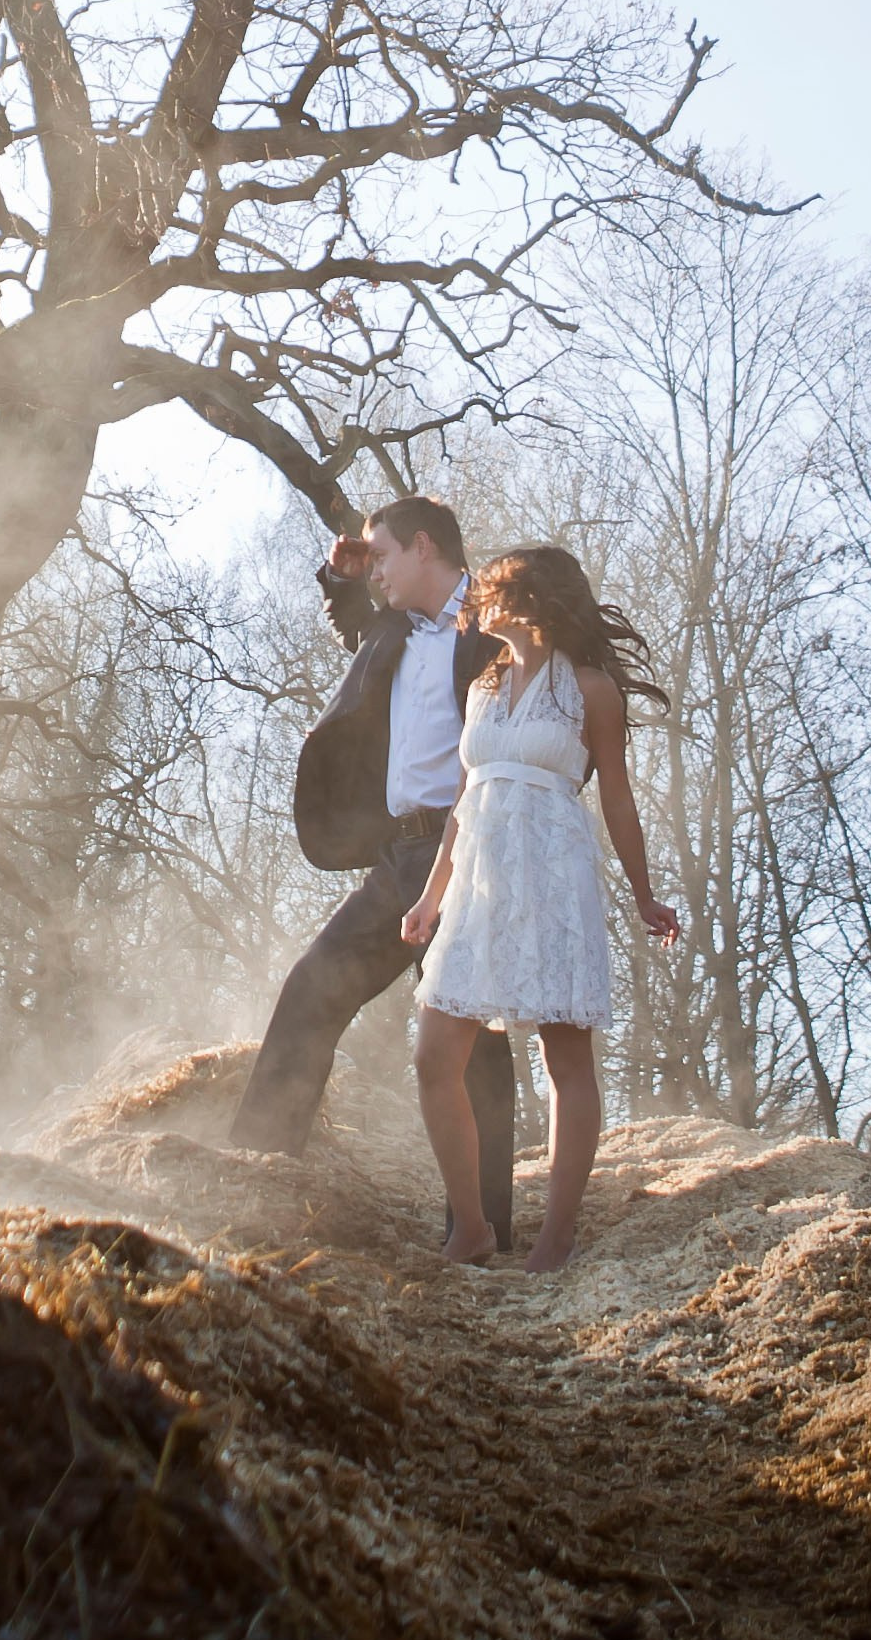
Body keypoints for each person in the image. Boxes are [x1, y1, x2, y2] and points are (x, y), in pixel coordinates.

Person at [229, 497, 523, 1254]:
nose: (378, 570)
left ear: (425, 548)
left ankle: (483, 1228)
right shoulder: (389, 627)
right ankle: (253, 1172)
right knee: (311, 988)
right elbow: (352, 618)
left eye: (385, 555)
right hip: (398, 860)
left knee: (471, 1041)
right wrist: (342, 575)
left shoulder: (495, 627)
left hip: (470, 852)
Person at [399, 544, 680, 1275]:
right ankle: (472, 1227)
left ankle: (556, 1237)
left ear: (530, 601)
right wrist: (430, 898)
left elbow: (615, 795)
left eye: (490, 592)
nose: (476, 604)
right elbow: (464, 800)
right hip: (479, 885)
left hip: (554, 876)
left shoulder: (593, 690)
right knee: (434, 1055)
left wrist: (646, 895)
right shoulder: (481, 690)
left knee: (565, 1053)